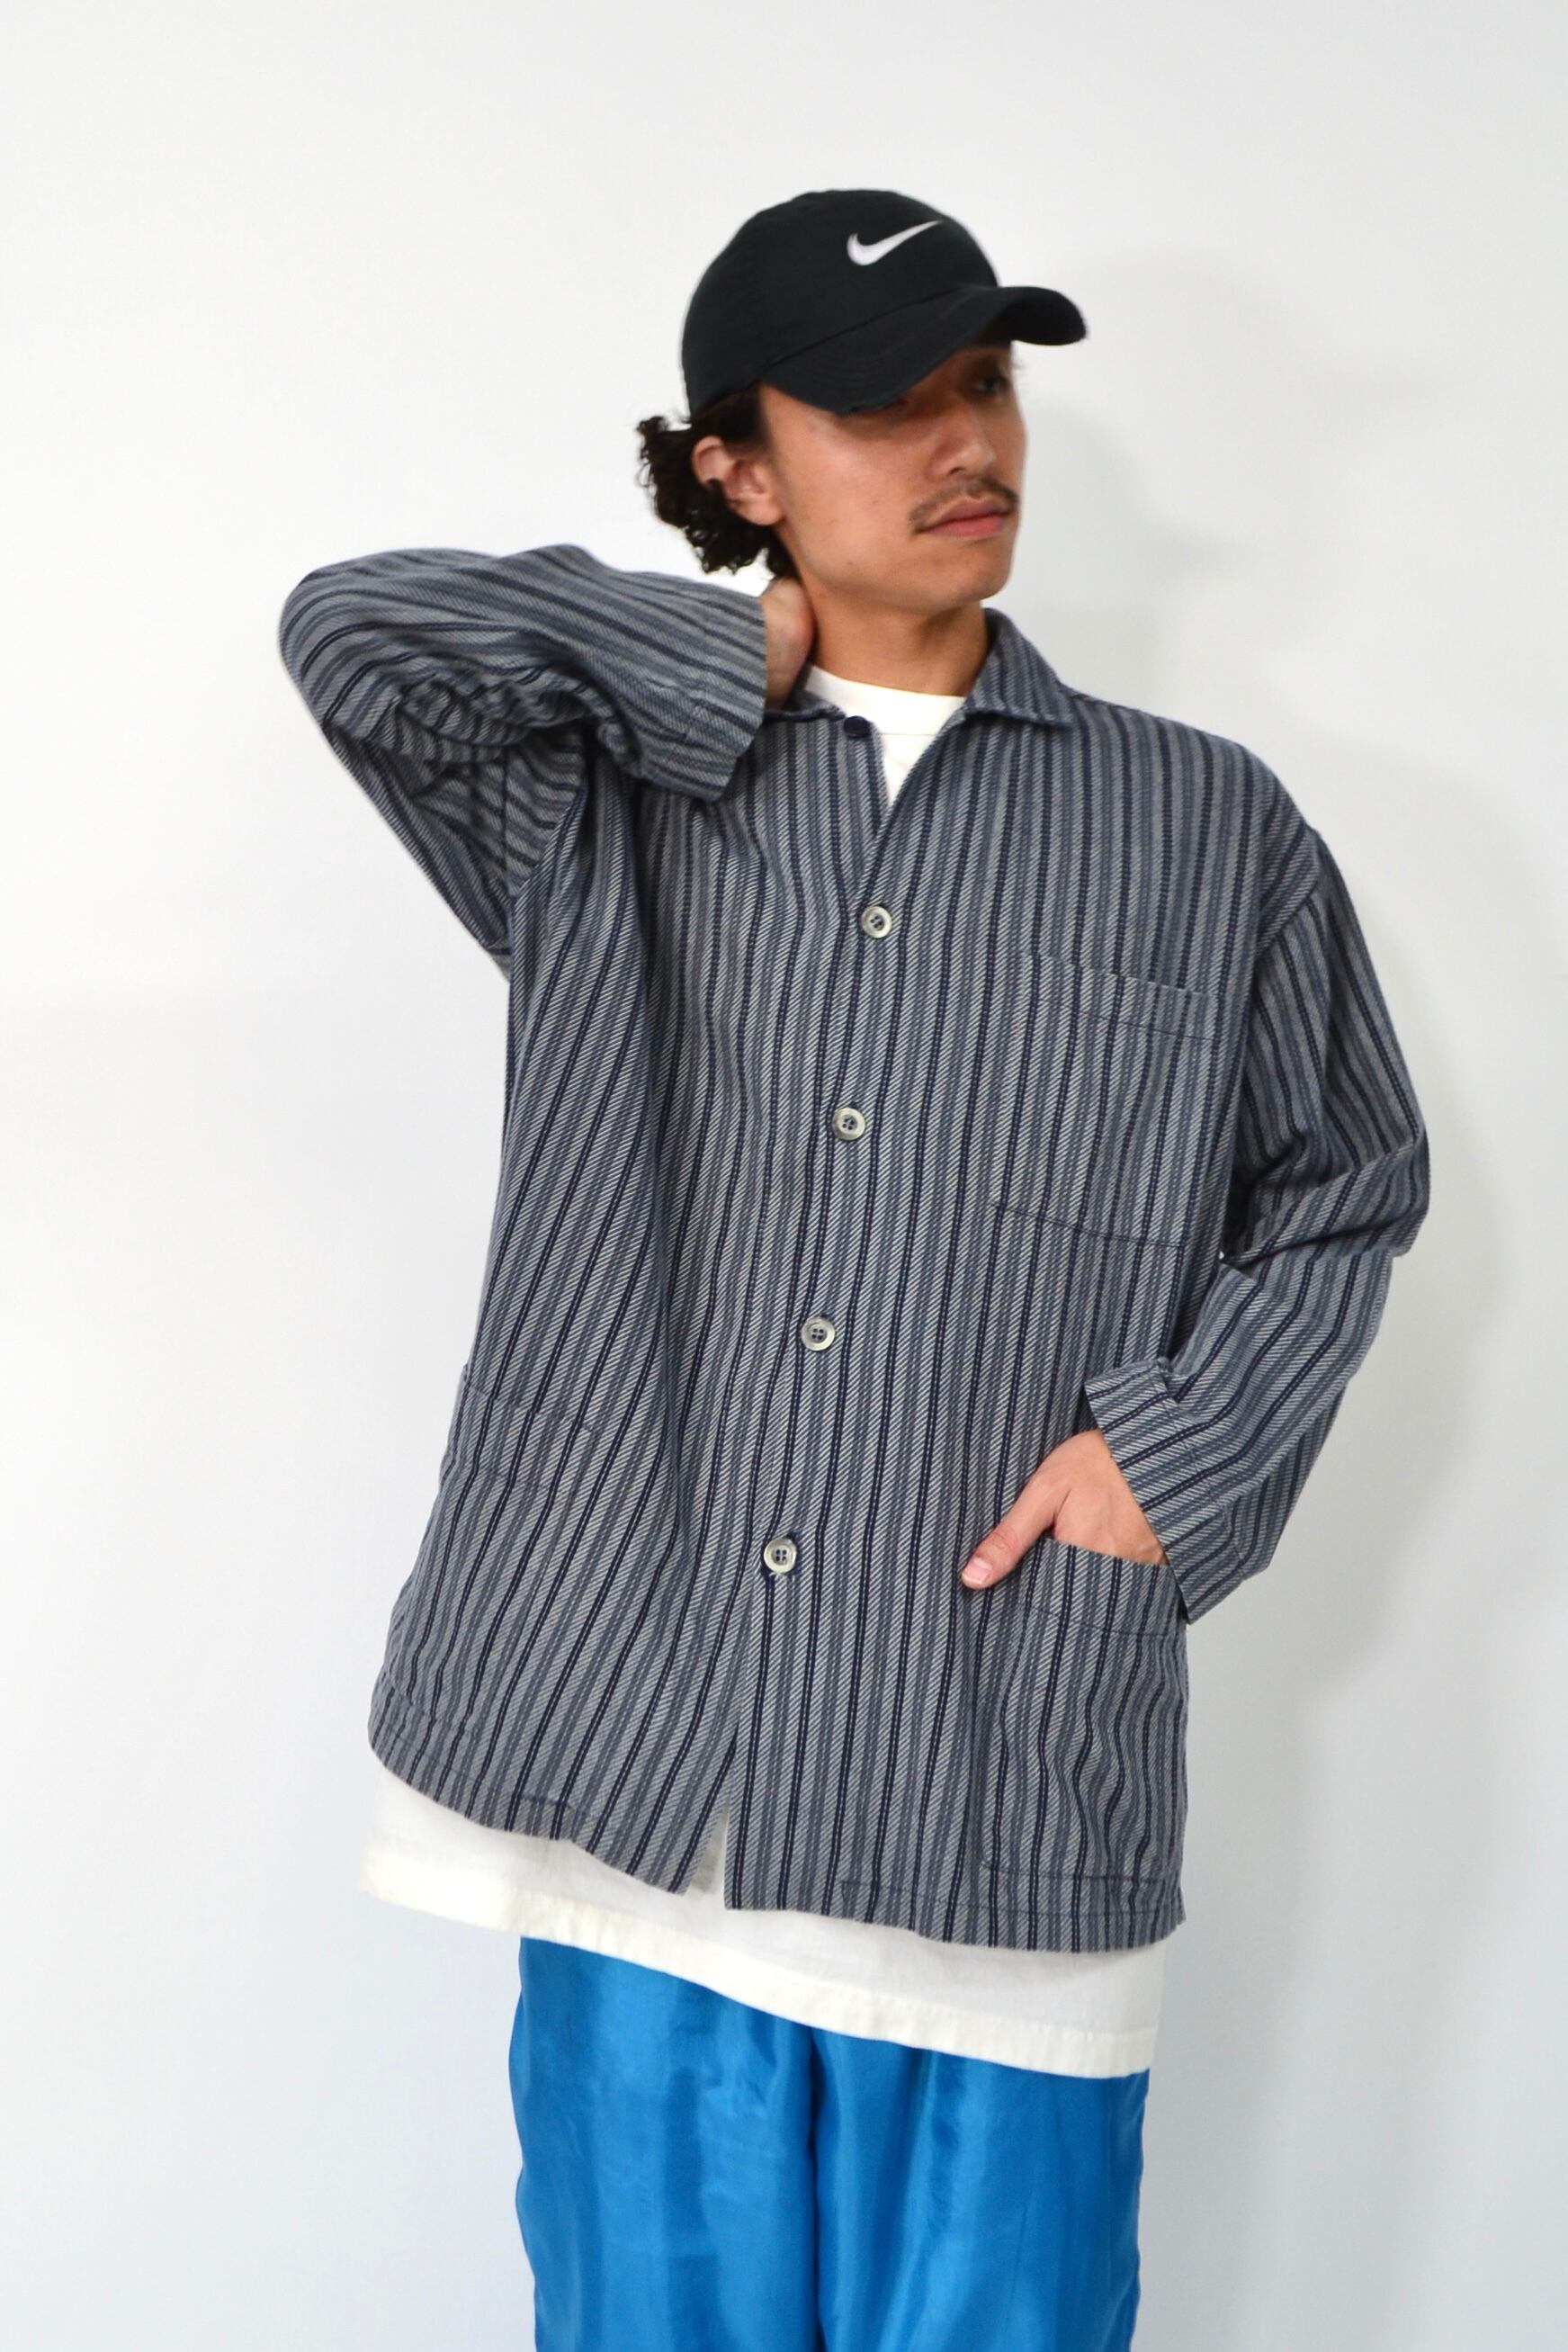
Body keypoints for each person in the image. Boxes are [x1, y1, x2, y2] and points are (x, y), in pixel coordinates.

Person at [277, 186, 1431, 2351]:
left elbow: (1343, 1179)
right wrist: (708, 654)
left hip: (988, 1769)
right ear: (738, 466)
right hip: (634, 1763)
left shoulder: (1204, 829)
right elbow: (353, 632)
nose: (964, 440)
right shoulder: (587, 797)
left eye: (983, 383)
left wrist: (1169, 1455)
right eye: (883, 403)